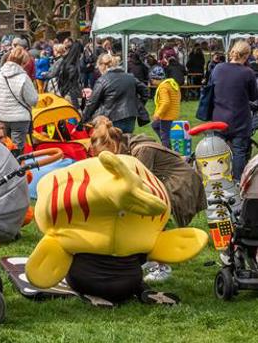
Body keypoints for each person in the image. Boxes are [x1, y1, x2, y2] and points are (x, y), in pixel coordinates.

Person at [90, 117, 206, 228]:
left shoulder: (142, 150)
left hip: (181, 183)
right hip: (168, 181)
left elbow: (141, 182)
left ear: (113, 144)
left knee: (139, 194)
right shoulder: (130, 146)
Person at [210, 40, 258, 180]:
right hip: (240, 119)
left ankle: (217, 179)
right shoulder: (248, 73)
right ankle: (238, 183)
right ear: (247, 55)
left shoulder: (217, 68)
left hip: (219, 117)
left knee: (218, 151)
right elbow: (253, 96)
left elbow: (211, 89)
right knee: (239, 152)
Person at [83, 54, 149, 134]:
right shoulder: (130, 77)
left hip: (111, 118)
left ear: (102, 66)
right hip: (129, 118)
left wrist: (82, 122)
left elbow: (92, 103)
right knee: (125, 143)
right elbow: (145, 91)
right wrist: (137, 105)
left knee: (113, 144)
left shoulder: (102, 80)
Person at [0, 46, 38, 153]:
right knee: (17, 148)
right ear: (23, 62)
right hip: (19, 118)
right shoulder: (23, 77)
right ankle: (15, 168)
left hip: (2, 116)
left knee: (3, 147)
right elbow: (33, 100)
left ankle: (5, 168)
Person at [152, 72, 181, 149]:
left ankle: (167, 151)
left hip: (166, 115)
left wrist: (158, 114)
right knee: (155, 125)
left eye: (152, 80)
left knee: (164, 134)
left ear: (157, 79)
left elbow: (165, 102)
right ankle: (167, 145)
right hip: (172, 112)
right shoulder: (171, 84)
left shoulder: (163, 87)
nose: (152, 82)